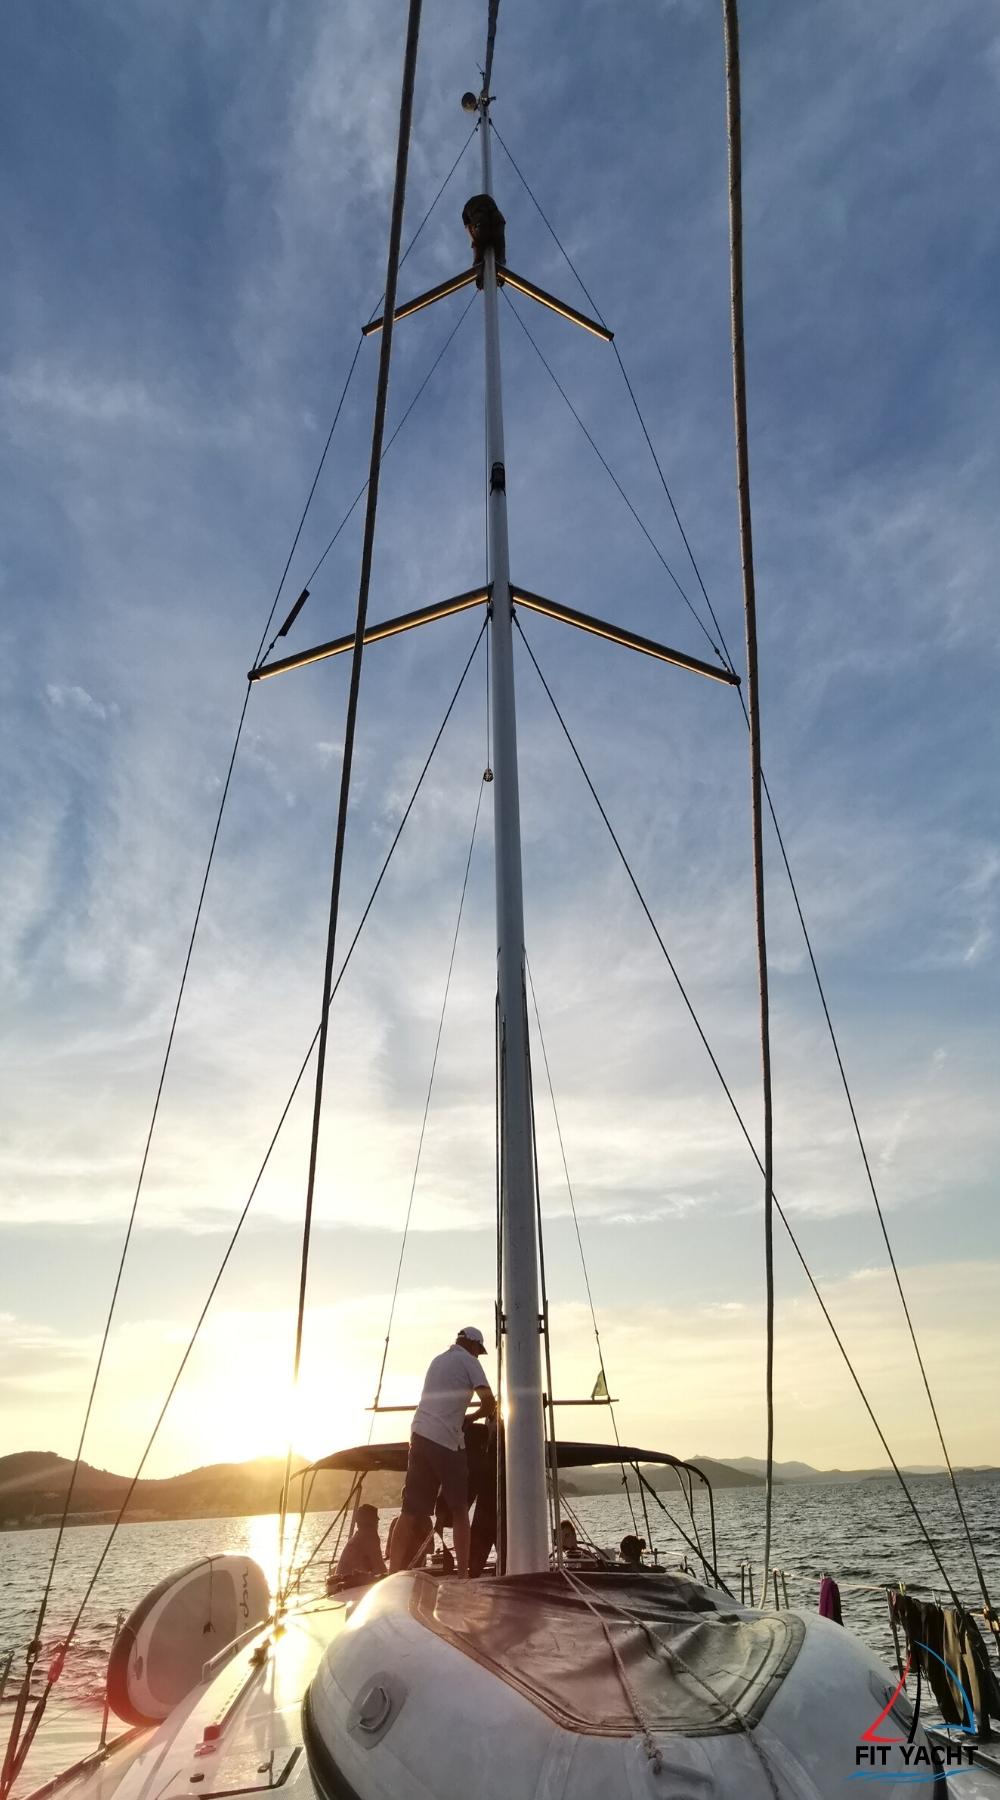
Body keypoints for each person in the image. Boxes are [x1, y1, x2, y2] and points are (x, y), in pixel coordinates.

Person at [389, 1327, 495, 1579]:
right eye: (479, 1351)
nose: (478, 1355)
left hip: (419, 1435)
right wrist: (471, 1418)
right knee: (459, 1510)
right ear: (473, 1345)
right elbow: (489, 1402)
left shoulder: (437, 1360)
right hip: (447, 1440)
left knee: (409, 1512)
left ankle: (391, 1574)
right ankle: (463, 1575)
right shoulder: (469, 1361)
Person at [331, 1503, 386, 1590]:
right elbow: (381, 1569)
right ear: (373, 1522)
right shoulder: (370, 1536)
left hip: (340, 1587)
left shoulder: (357, 1537)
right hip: (349, 1586)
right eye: (376, 1521)